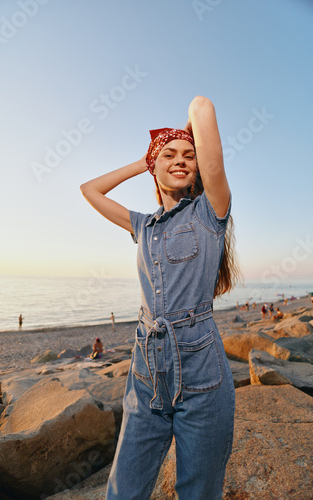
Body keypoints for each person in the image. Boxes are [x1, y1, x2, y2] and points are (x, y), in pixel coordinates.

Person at [80, 96, 241, 499]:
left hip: (201, 367)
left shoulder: (210, 212)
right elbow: (90, 189)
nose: (181, 158)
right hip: (145, 367)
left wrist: (180, 137)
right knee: (123, 491)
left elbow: (202, 107)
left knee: (198, 492)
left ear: (199, 168)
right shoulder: (142, 224)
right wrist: (145, 160)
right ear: (156, 169)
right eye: (170, 154)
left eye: (189, 154)